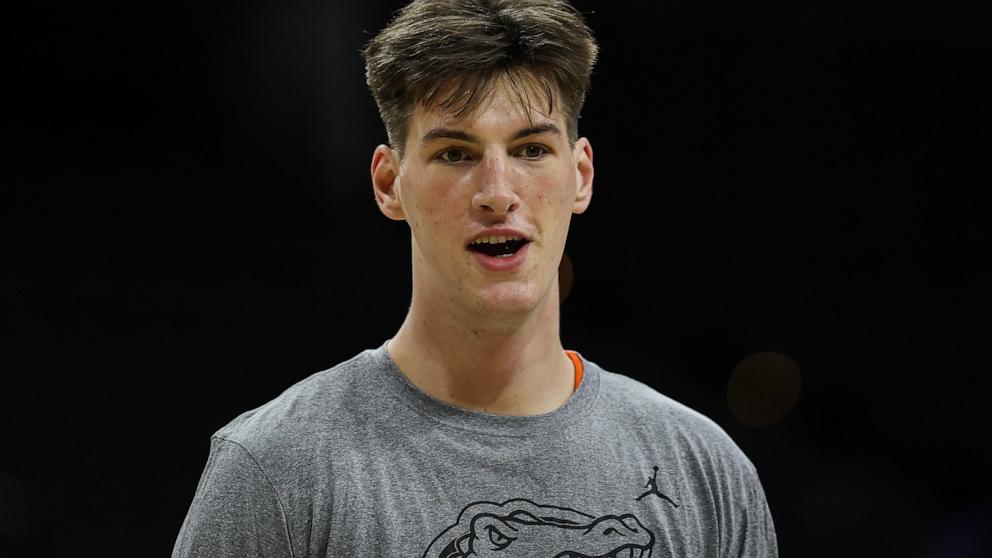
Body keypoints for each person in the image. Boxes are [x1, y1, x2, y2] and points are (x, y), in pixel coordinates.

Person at [172, 0, 779, 556]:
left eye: (532, 150)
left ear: (582, 175)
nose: (497, 193)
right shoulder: (277, 468)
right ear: (390, 185)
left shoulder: (705, 472)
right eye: (455, 154)